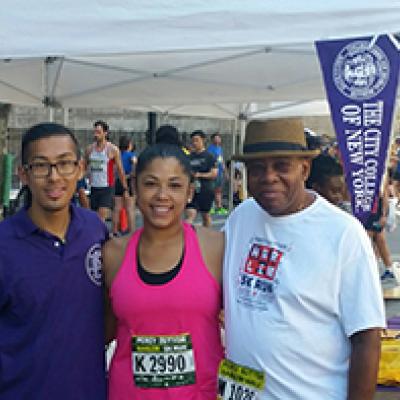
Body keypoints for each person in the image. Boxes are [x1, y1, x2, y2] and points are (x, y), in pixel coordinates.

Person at [223, 118, 385, 400]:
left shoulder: (343, 232)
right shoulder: (241, 217)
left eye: (281, 166)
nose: (269, 177)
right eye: (257, 169)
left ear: (305, 169)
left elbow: (367, 337)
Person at [103, 143, 224, 400]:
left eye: (175, 185)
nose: (162, 195)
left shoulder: (216, 248)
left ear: (190, 192)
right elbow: (102, 331)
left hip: (202, 393)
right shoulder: (112, 254)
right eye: (151, 184)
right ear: (134, 187)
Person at [0, 123, 108, 399]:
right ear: (23, 174)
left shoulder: (94, 229)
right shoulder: (5, 244)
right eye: (40, 166)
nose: (54, 176)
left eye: (64, 164)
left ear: (80, 168)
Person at [84, 120, 129, 222]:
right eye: (94, 132)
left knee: (101, 217)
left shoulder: (112, 149)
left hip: (107, 187)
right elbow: (84, 167)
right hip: (93, 187)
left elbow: (120, 170)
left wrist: (125, 189)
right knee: (93, 218)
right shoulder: (89, 149)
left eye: (98, 132)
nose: (96, 135)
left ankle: (102, 236)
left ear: (105, 133)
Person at [186, 130, 218, 227]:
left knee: (205, 215)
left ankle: (207, 234)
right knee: (190, 214)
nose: (194, 143)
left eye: (197, 140)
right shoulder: (189, 157)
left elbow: (214, 174)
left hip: (206, 188)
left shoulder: (210, 156)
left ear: (203, 140)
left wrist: (199, 175)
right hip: (192, 189)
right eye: (193, 141)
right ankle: (187, 235)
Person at [111, 135, 137, 235]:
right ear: (129, 145)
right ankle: (132, 231)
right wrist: (131, 174)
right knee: (130, 208)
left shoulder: (117, 155)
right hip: (128, 180)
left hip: (118, 181)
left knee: (117, 207)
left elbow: (113, 169)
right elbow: (135, 164)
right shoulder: (131, 155)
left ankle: (114, 230)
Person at [207, 132, 227, 215]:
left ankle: (218, 207)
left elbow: (222, 161)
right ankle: (210, 207)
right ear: (212, 140)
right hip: (213, 172)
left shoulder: (220, 149)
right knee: (212, 190)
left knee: (219, 190)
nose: (217, 139)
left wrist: (225, 171)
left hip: (220, 173)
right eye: (216, 138)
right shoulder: (210, 149)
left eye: (219, 138)